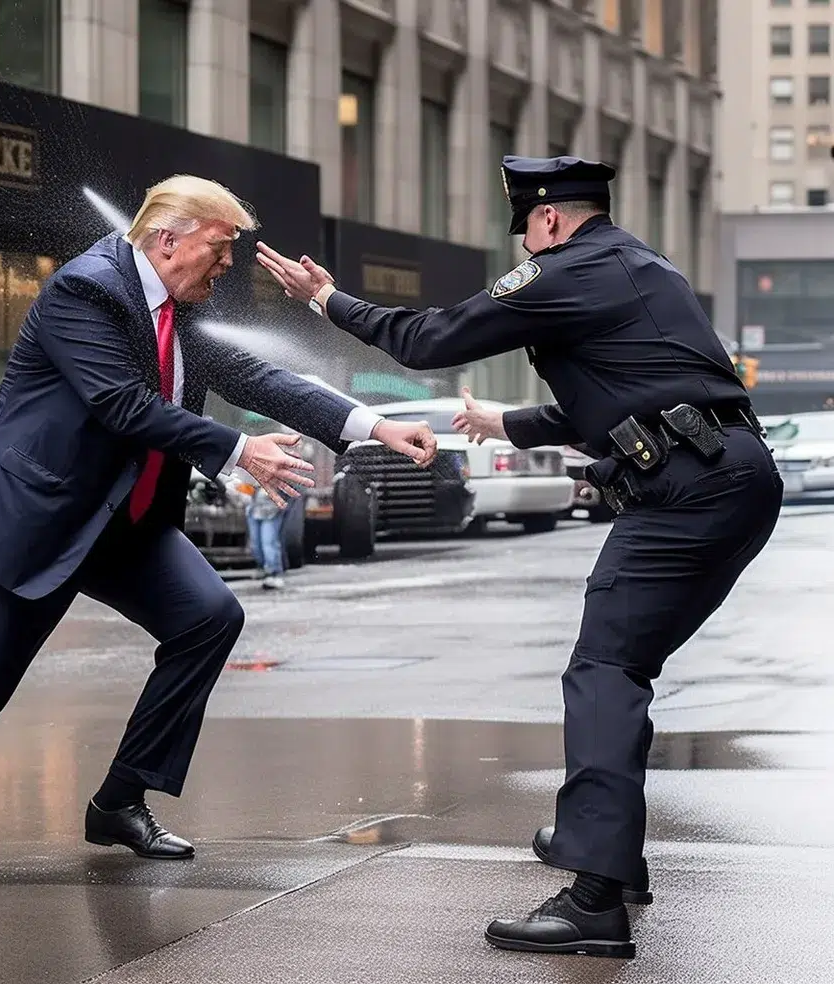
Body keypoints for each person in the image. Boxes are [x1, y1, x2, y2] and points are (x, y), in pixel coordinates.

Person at [256, 156, 784, 959]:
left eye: (527, 239)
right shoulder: (642, 268)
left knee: (604, 670)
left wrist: (326, 298)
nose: (525, 257)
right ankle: (608, 848)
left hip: (688, 491)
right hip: (737, 478)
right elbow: (627, 395)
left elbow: (427, 338)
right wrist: (506, 425)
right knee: (624, 665)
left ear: (547, 222)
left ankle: (594, 899)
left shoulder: (563, 271)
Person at [0, 174, 437, 884]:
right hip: (48, 517)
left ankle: (119, 801)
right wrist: (236, 449)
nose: (227, 266)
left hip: (125, 521)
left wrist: (375, 424)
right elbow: (121, 405)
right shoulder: (85, 290)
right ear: (168, 240)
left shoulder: (180, 306)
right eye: (220, 249)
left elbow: (254, 377)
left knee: (209, 618)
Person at [246, 483, 288, 589]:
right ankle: (263, 568)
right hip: (255, 507)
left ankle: (274, 573)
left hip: (271, 509)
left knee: (269, 542)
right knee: (256, 544)